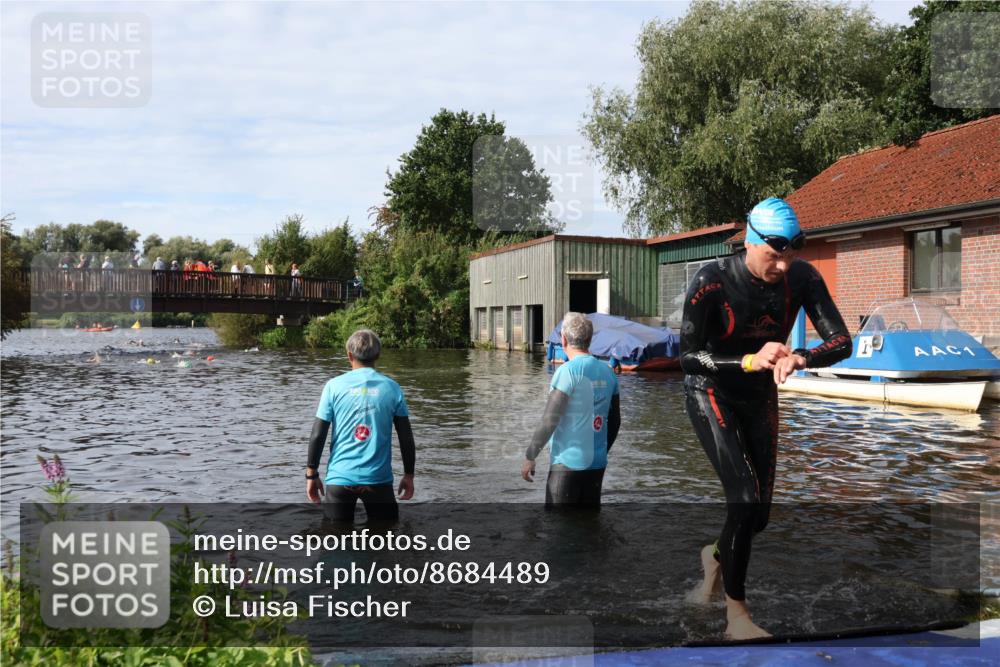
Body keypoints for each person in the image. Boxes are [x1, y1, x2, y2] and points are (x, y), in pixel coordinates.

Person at [680, 197, 851, 640]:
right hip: (710, 390)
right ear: (750, 244)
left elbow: (842, 341)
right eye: (774, 255)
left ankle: (715, 558)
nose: (782, 264)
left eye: (790, 254)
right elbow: (689, 358)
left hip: (759, 396)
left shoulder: (803, 278)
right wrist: (750, 361)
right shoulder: (711, 281)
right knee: (743, 495)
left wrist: (801, 356)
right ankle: (737, 617)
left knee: (757, 518)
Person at [306, 329, 415, 522]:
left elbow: (318, 434)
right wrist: (409, 475)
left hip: (340, 478)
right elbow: (405, 437)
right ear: (378, 355)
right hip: (378, 480)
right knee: (384, 542)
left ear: (349, 355)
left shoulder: (333, 386)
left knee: (335, 543)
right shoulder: (392, 388)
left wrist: (311, 475)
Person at [521, 312, 621, 507]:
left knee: (558, 529)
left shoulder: (567, 371)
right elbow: (615, 422)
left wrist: (530, 456)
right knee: (590, 527)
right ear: (590, 340)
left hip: (567, 466)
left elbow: (550, 420)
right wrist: (599, 452)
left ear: (564, 339)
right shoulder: (609, 373)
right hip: (597, 465)